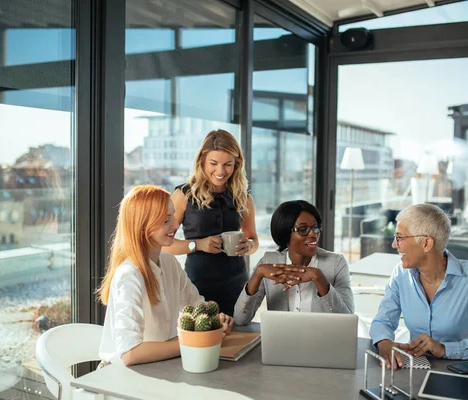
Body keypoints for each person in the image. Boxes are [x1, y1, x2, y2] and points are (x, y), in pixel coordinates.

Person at [97, 185, 233, 366]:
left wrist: (216, 321)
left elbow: (197, 306)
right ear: (143, 225)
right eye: (166, 220)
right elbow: (129, 353)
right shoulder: (129, 275)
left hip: (162, 365)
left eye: (174, 216)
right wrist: (194, 343)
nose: (176, 225)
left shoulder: (168, 262)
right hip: (123, 376)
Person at [370, 203, 468, 370]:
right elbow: (382, 321)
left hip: (459, 372)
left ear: (426, 243)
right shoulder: (400, 275)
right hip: (414, 369)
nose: (394, 244)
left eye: (399, 237)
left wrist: (444, 349)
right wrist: (385, 343)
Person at [163, 130, 258, 316]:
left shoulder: (243, 197)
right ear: (202, 161)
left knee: (237, 339)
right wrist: (197, 244)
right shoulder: (184, 195)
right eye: (213, 163)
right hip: (197, 285)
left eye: (228, 164)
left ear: (236, 164)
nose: (221, 171)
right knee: (202, 340)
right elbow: (164, 244)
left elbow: (254, 241)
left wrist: (249, 245)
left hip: (236, 283)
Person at [233, 200, 354, 325]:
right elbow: (240, 318)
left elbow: (347, 321)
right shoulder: (269, 262)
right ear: (285, 233)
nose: (313, 234)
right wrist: (257, 275)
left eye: (316, 227)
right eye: (303, 229)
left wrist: (319, 278)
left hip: (321, 342)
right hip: (283, 341)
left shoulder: (336, 263)